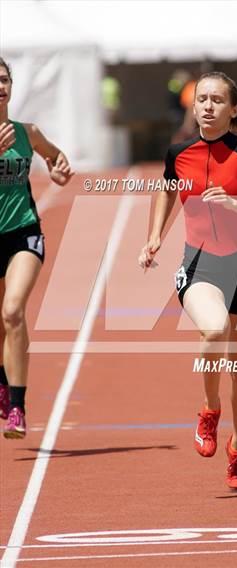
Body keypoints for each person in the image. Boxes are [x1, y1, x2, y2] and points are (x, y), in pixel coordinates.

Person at [139, 71, 237, 488]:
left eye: (217, 100)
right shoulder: (178, 153)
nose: (207, 106)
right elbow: (166, 189)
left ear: (233, 109)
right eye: (202, 99)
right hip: (199, 265)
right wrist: (154, 237)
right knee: (214, 328)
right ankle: (209, 409)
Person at [0, 58, 74, 439]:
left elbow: (56, 158)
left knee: (12, 311)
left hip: (23, 233)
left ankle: (17, 407)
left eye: (4, 78)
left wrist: (59, 170)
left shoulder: (27, 132)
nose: (1, 85)